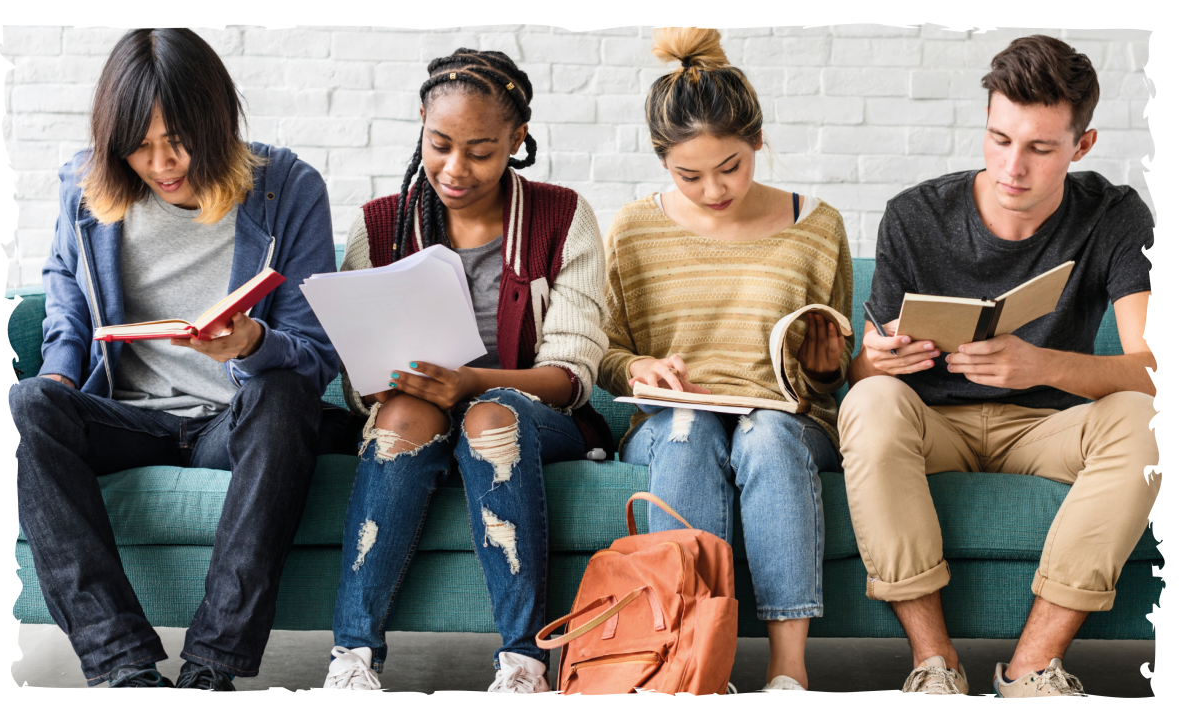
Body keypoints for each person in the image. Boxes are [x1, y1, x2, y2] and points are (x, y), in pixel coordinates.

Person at [9, 28, 339, 690]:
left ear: (216, 122)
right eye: (140, 145)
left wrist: (252, 344)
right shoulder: (86, 190)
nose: (161, 163)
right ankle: (123, 666)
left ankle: (212, 668)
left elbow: (316, 355)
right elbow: (67, 311)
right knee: (30, 405)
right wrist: (57, 377)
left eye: (179, 140)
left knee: (282, 398)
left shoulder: (289, 190)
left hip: (233, 424)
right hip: (126, 418)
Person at [840, 35, 1158, 697]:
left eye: (1041, 148)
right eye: (999, 139)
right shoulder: (914, 215)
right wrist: (874, 360)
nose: (1014, 166)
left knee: (1149, 420)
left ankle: (1030, 669)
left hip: (1048, 430)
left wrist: (1039, 364)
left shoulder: (1113, 214)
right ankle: (935, 667)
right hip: (932, 423)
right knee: (867, 403)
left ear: (1083, 145)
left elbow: (1155, 369)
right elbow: (865, 383)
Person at [323, 48, 611, 693]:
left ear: (518, 139)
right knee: (400, 415)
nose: (455, 169)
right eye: (439, 144)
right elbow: (353, 385)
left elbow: (572, 375)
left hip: (535, 416)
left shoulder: (561, 217)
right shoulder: (381, 225)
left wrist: (474, 381)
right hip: (417, 408)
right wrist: (375, 376)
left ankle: (523, 664)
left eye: (480, 151)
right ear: (421, 121)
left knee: (487, 418)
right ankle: (352, 659)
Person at [597, 28, 854, 692]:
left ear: (759, 143)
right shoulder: (632, 228)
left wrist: (828, 365)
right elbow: (605, 353)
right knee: (687, 432)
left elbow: (834, 372)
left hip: (787, 418)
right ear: (662, 160)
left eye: (731, 167)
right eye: (690, 175)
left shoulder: (817, 225)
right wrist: (636, 370)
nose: (714, 188)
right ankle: (692, 671)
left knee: (766, 438)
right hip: (671, 420)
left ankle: (788, 675)